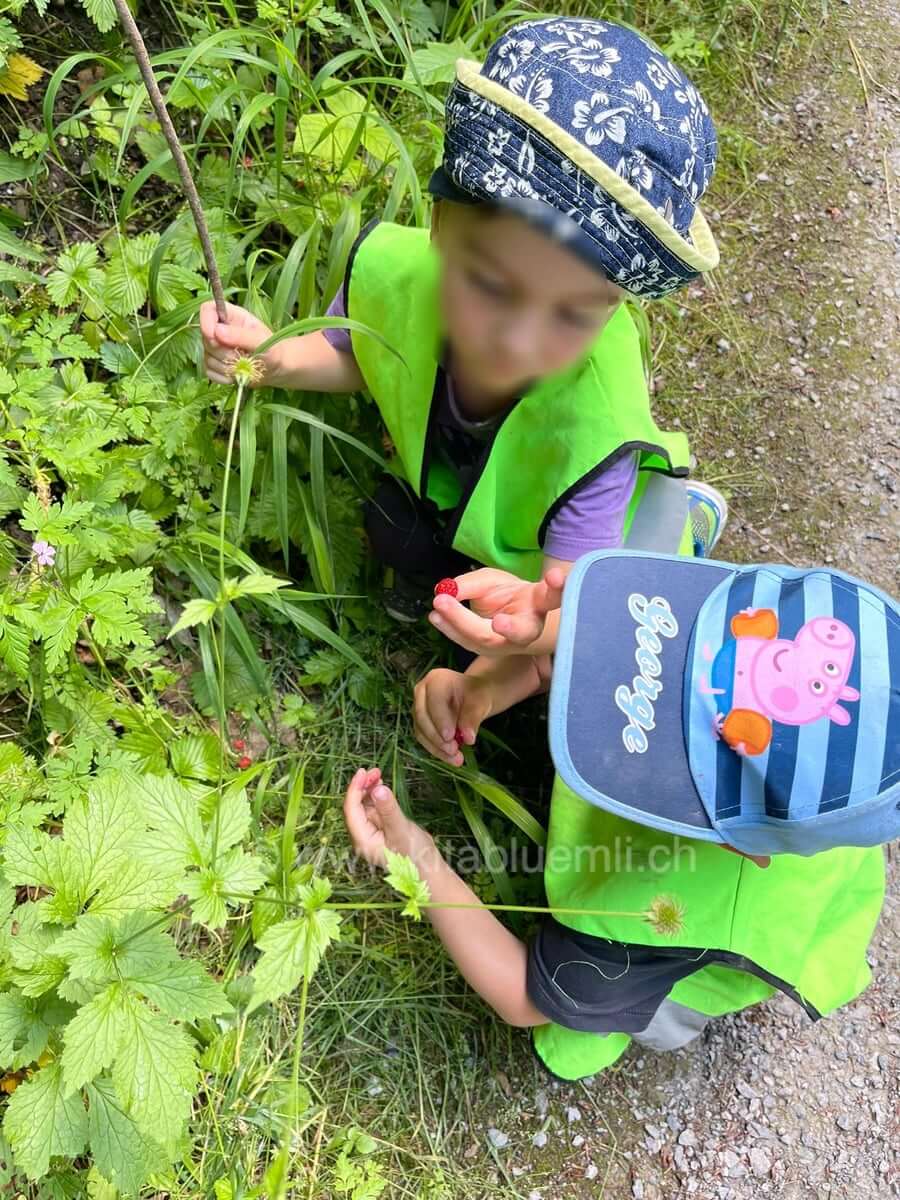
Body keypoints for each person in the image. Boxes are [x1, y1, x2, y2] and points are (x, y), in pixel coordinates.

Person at [200, 18, 726, 636]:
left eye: (574, 312)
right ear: (441, 228)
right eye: (494, 287)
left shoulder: (597, 424)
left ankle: (679, 522)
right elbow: (358, 355)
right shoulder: (399, 275)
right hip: (465, 496)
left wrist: (528, 638)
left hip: (564, 549)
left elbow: (576, 598)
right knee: (391, 527)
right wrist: (274, 360)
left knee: (563, 655)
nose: (520, 340)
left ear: (614, 303)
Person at [344, 551, 896, 1081]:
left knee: (597, 1003)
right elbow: (597, 652)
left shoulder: (673, 918)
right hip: (800, 834)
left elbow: (520, 993)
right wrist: (486, 685)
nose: (648, 664)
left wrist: (417, 861)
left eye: (671, 739)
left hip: (738, 927)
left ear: (737, 846)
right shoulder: (719, 643)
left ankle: (617, 1018)